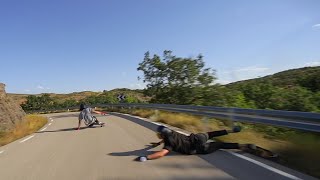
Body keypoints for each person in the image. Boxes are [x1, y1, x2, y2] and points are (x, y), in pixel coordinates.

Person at [137, 125, 256, 161]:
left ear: (163, 135)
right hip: (197, 138)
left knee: (220, 145)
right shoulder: (172, 132)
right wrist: (157, 144)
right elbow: (165, 137)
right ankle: (231, 130)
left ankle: (243, 146)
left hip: (196, 148)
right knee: (212, 134)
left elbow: (161, 154)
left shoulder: (169, 145)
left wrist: (146, 157)